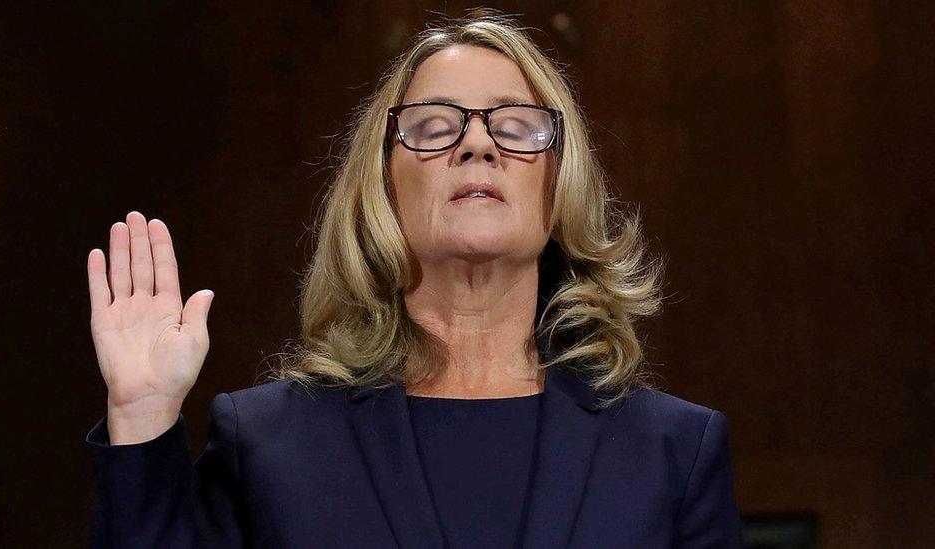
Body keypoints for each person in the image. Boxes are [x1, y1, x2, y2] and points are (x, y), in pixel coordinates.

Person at [84, 10, 744, 548]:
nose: (477, 143)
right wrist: (141, 417)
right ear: (384, 188)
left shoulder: (673, 451)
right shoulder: (266, 443)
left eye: (516, 126)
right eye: (433, 126)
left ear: (559, 188)